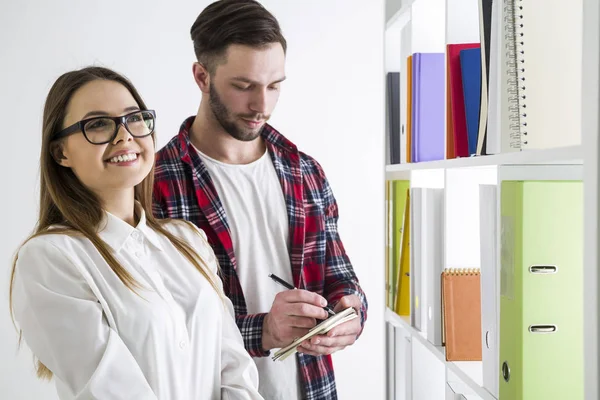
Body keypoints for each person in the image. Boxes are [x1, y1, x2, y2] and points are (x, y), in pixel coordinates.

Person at [152, 1, 369, 399]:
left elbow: (341, 277)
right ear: (202, 77)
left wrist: (350, 311)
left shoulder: (305, 172)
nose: (262, 106)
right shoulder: (155, 183)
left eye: (274, 85)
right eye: (243, 86)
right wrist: (265, 330)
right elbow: (161, 327)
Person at [9, 66, 263, 400]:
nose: (124, 135)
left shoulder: (188, 240)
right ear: (61, 153)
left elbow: (234, 367)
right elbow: (110, 389)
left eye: (135, 119)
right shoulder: (50, 259)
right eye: (98, 124)